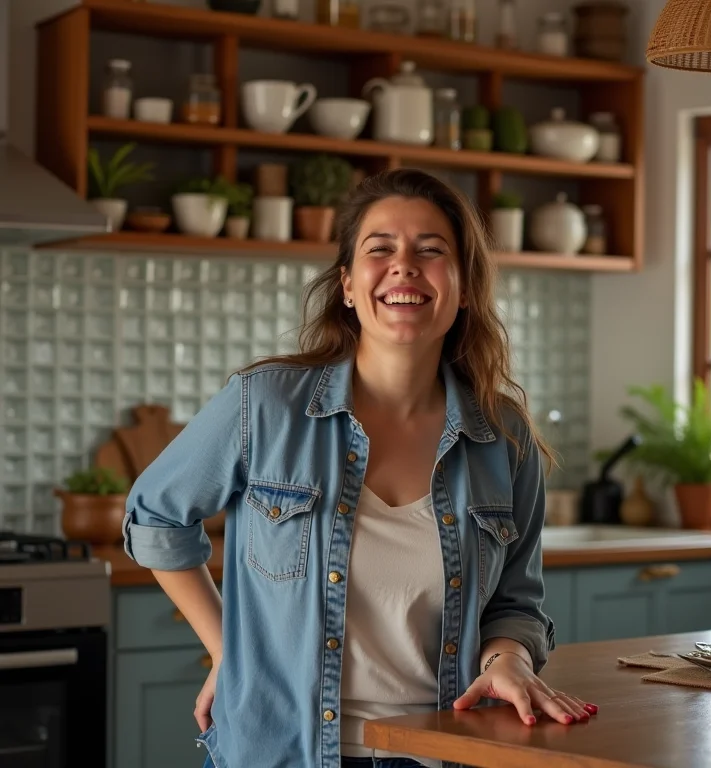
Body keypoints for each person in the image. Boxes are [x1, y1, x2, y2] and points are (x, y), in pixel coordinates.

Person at [123, 168, 598, 768]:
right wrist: (230, 651)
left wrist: (509, 659)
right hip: (282, 753)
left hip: (442, 752)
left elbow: (515, 603)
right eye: (381, 249)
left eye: (432, 250)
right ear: (348, 284)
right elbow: (155, 516)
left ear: (466, 287)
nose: (404, 266)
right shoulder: (265, 406)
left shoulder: (503, 438)